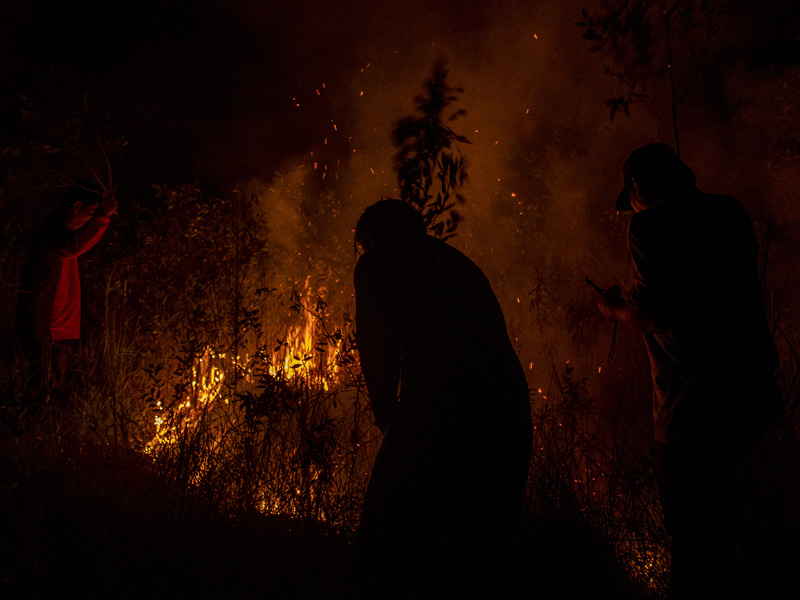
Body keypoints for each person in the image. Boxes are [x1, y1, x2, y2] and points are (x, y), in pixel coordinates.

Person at [597, 143, 781, 599]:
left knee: (694, 540)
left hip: (692, 408)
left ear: (638, 187)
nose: (632, 207)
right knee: (724, 523)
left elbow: (659, 312)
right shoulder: (729, 212)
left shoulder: (649, 225)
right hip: (750, 390)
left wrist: (614, 308)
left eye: (632, 197)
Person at [351, 199, 532, 599]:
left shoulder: (379, 262)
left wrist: (388, 415)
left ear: (374, 238)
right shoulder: (456, 261)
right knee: (479, 545)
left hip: (444, 405)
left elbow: (375, 345)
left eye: (363, 246)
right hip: (507, 407)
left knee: (385, 535)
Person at [16, 182, 117, 400]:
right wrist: (103, 217)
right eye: (90, 213)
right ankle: (30, 429)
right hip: (44, 328)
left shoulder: (64, 232)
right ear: (76, 206)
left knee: (56, 387)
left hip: (59, 330)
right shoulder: (54, 232)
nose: (89, 220)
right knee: (41, 389)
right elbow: (73, 246)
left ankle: (47, 428)